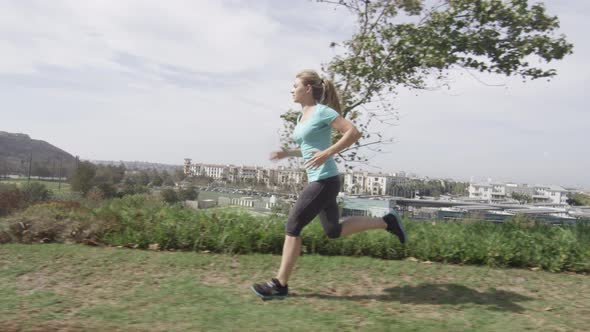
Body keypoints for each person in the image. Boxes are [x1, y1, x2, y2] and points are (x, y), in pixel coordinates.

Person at [250, 69, 406, 300]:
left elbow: (353, 132)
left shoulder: (322, 112)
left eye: (295, 86)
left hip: (324, 179)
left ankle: (279, 284)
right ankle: (387, 222)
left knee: (293, 226)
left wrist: (328, 152)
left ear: (308, 89)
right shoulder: (301, 115)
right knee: (333, 230)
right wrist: (288, 153)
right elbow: (308, 148)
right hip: (321, 179)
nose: (292, 90)